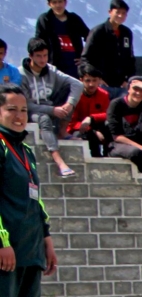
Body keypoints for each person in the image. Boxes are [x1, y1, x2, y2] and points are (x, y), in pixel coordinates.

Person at [0, 86, 58, 297]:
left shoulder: (26, 152)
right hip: (6, 251)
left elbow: (36, 202)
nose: (19, 116)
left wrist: (46, 240)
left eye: (23, 110)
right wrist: (1, 241)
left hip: (31, 248)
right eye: (12, 109)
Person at [20, 38, 82, 179]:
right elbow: (26, 105)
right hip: (32, 111)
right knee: (44, 119)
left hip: (50, 105)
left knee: (69, 90)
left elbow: (77, 84)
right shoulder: (21, 75)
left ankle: (62, 131)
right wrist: (52, 110)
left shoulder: (51, 70)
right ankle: (59, 161)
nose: (43, 60)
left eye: (45, 55)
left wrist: (69, 104)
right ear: (30, 56)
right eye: (38, 56)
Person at [105, 76, 142, 173]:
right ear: (128, 89)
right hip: (118, 144)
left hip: (137, 141)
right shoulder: (116, 104)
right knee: (136, 152)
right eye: (135, 89)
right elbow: (116, 136)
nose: (138, 93)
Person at [83, 0, 134, 92]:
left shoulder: (127, 33)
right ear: (110, 12)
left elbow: (130, 59)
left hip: (122, 86)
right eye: (117, 12)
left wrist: (128, 80)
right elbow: (86, 58)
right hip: (102, 84)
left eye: (124, 13)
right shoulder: (98, 32)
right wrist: (96, 79)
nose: (120, 16)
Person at [35, 0, 91, 77]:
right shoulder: (44, 20)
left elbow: (90, 38)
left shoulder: (74, 19)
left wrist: (85, 58)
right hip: (54, 68)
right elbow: (38, 43)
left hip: (75, 68)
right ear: (49, 4)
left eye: (60, 2)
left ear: (65, 2)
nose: (58, 5)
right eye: (54, 2)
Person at [71, 64, 111, 157]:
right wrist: (93, 131)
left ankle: (108, 154)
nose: (91, 84)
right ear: (81, 80)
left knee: (109, 126)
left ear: (99, 80)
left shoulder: (104, 94)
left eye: (94, 80)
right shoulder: (75, 95)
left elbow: (108, 114)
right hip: (80, 129)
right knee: (86, 136)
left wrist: (92, 118)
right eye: (88, 80)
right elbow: (72, 123)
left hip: (97, 126)